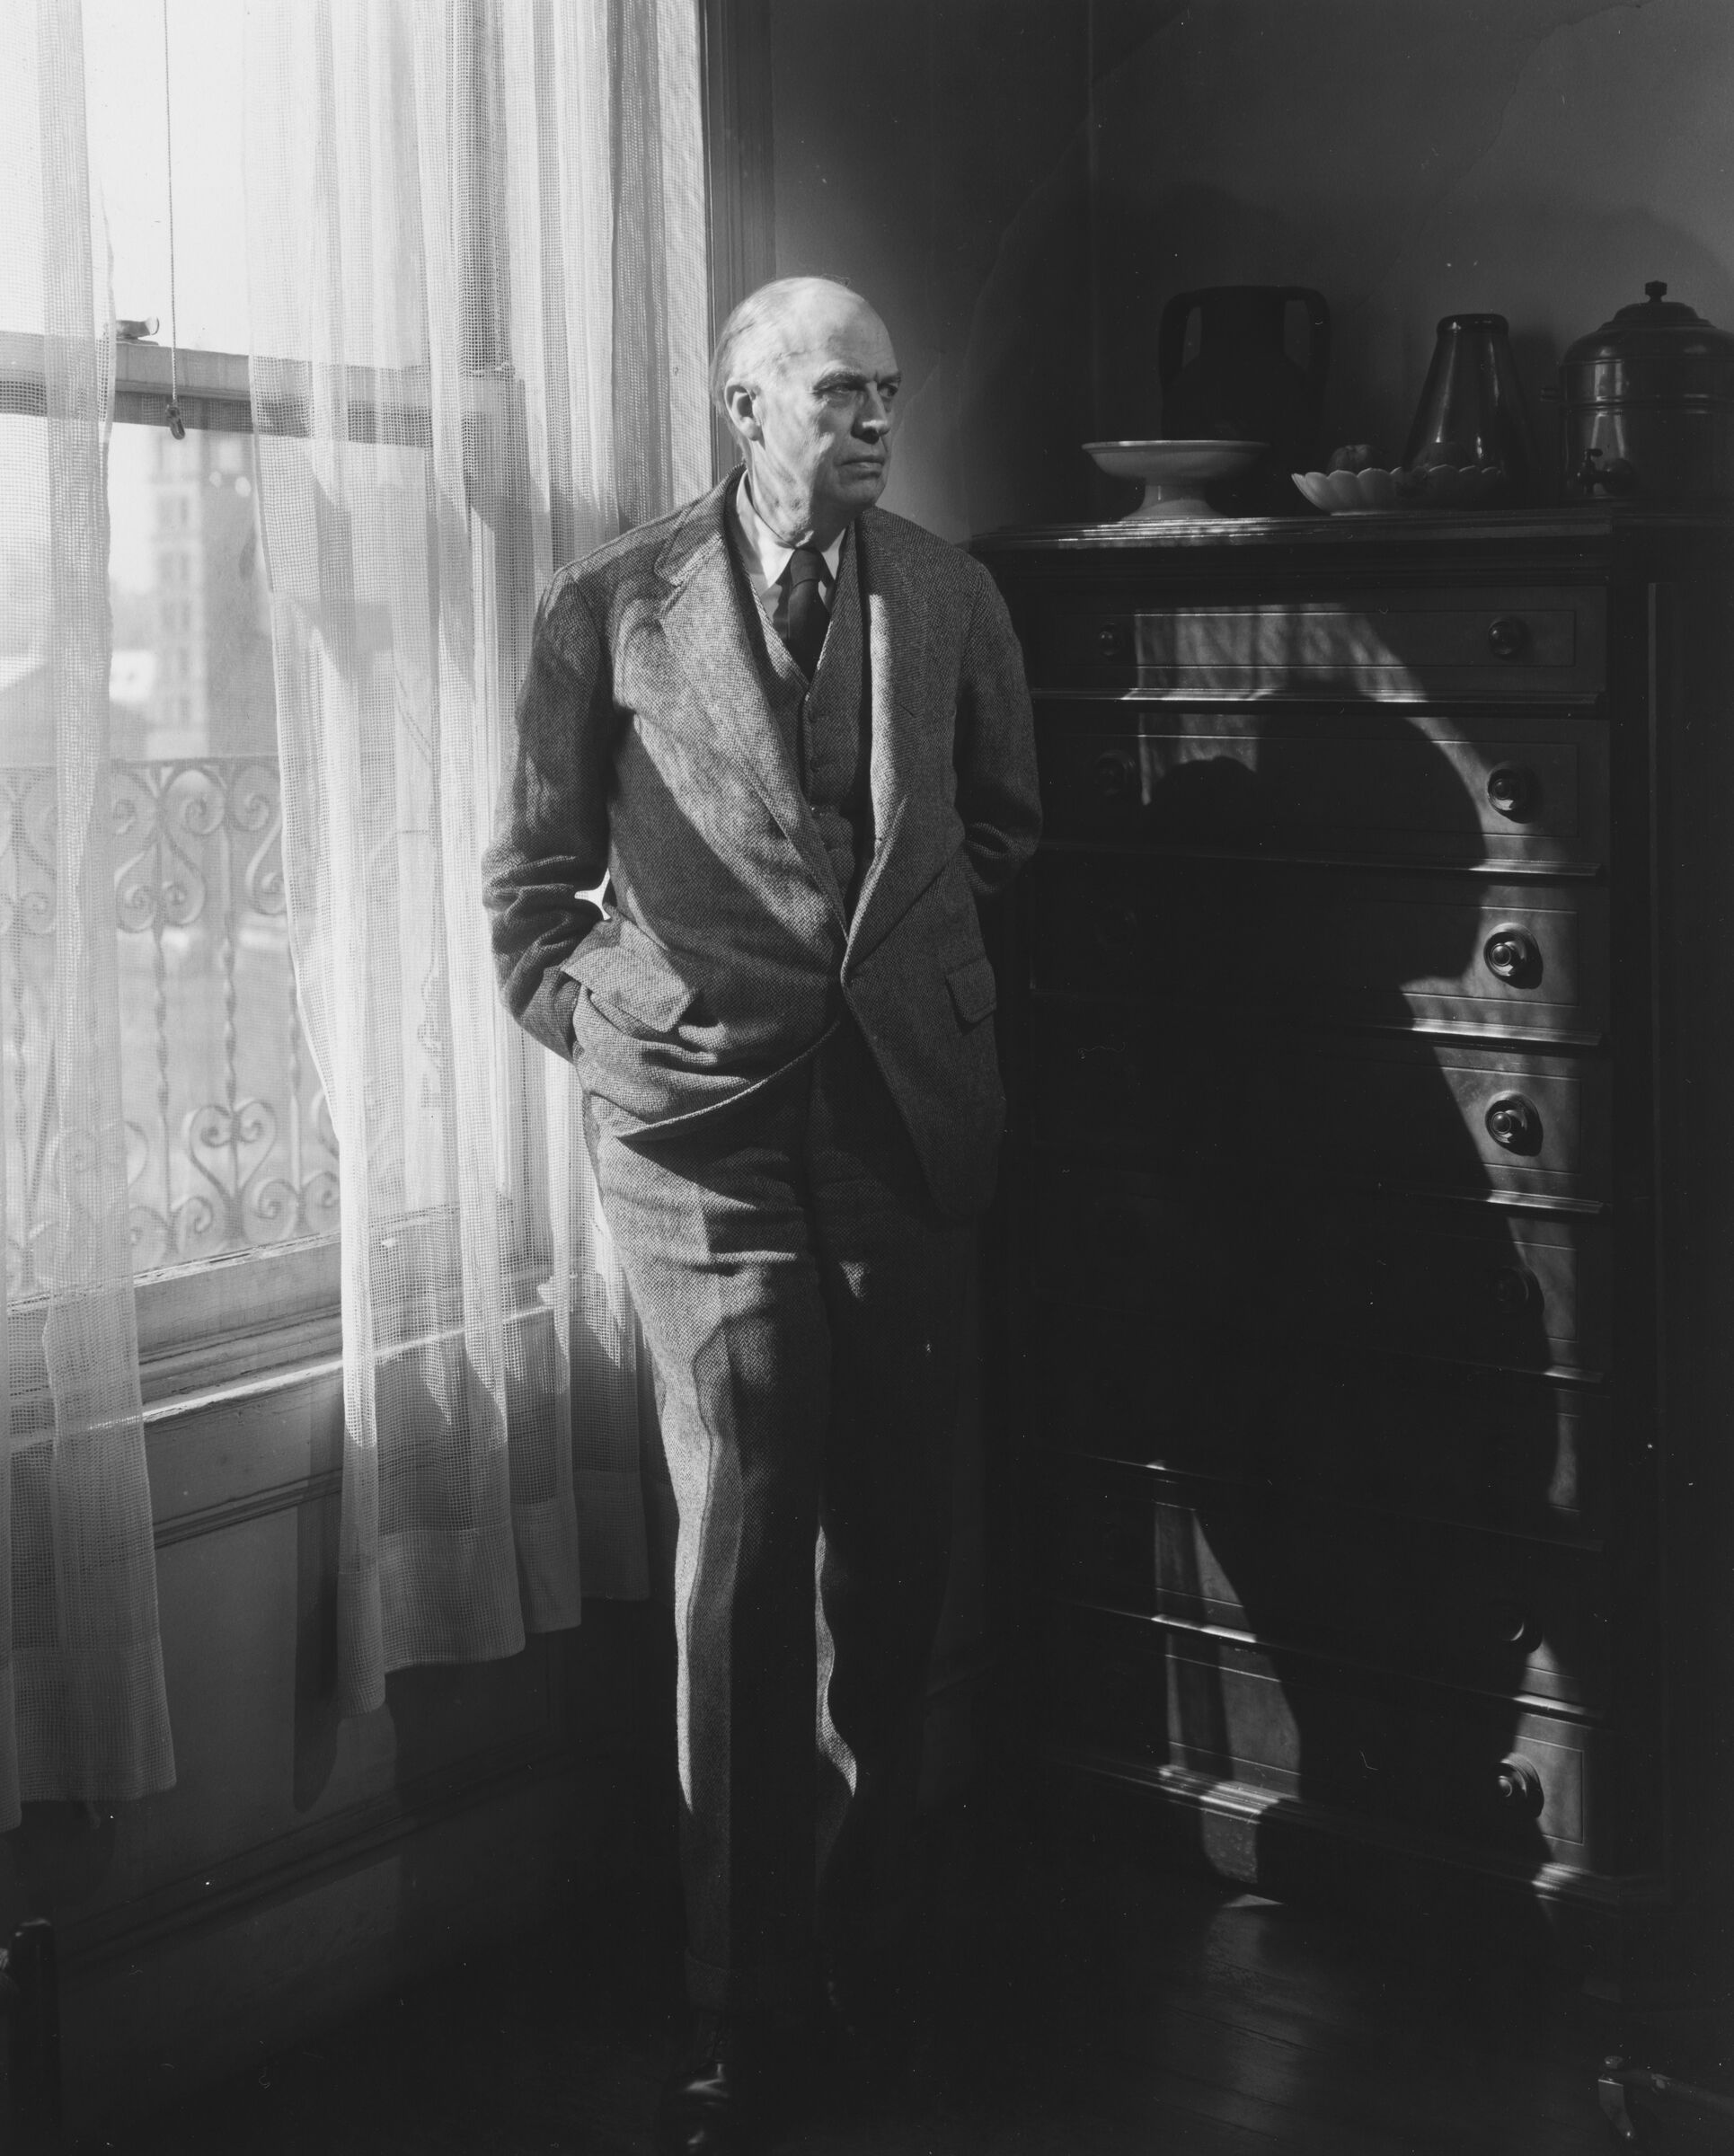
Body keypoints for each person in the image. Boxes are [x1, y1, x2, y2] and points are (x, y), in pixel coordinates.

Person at [482, 274, 1040, 2155]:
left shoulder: (952, 598)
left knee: (896, 1546)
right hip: (696, 1144)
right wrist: (625, 1042)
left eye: (889, 389)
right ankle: (741, 2011)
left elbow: (1003, 840)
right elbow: (531, 893)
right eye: (834, 394)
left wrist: (928, 1012)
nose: (874, 421)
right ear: (743, 410)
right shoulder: (605, 607)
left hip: (899, 1129)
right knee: (742, 1538)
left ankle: (872, 1950)